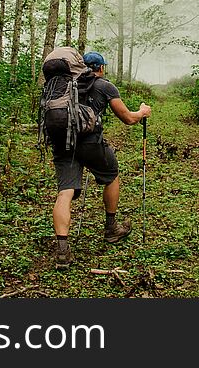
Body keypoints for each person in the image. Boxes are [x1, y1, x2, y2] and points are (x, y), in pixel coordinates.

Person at [52, 50, 151, 269]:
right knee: (112, 176)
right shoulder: (105, 86)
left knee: (65, 192)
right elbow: (128, 118)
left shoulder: (66, 86)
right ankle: (111, 228)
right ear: (101, 68)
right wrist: (142, 112)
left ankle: (62, 251)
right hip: (90, 144)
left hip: (62, 143)